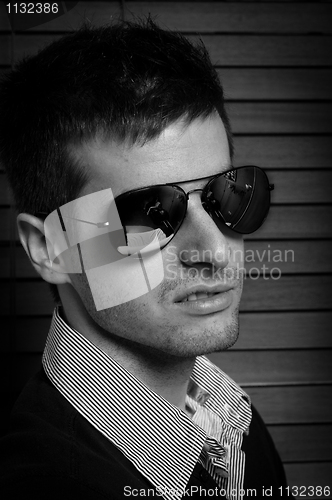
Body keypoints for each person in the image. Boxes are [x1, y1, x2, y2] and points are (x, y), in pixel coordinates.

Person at [0, 19, 289, 499]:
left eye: (228, 195)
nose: (215, 253)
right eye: (144, 215)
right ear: (50, 248)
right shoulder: (44, 481)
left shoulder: (229, 417)